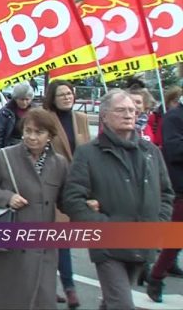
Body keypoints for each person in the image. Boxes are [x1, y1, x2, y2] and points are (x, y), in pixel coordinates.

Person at [63, 89, 174, 309]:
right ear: (104, 115)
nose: (129, 114)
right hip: (108, 246)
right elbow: (73, 199)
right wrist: (103, 228)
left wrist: (158, 224)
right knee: (121, 304)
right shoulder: (88, 153)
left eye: (132, 110)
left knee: (113, 301)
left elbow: (166, 193)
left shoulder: (150, 151)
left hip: (142, 242)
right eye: (121, 110)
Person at [0, 108, 71, 309]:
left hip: (43, 247)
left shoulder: (59, 164)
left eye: (39, 132)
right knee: (9, 300)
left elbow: (65, 200)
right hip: (10, 245)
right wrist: (7, 197)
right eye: (28, 131)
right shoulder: (5, 157)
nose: (32, 137)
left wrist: (84, 203)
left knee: (42, 299)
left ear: (50, 137)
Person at [43, 79, 90, 308]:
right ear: (53, 97)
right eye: (61, 94)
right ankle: (68, 287)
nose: (67, 97)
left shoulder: (80, 119)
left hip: (74, 187)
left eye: (69, 93)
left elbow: (87, 152)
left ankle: (52, 285)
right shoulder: (45, 118)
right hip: (50, 186)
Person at [147, 90, 183, 302]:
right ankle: (156, 276)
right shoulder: (174, 117)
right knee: (175, 237)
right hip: (179, 186)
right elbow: (174, 149)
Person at [0, 82, 34, 148]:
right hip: (11, 146)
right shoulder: (5, 112)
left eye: (27, 99)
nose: (24, 102)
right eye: (21, 99)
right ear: (15, 98)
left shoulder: (35, 111)